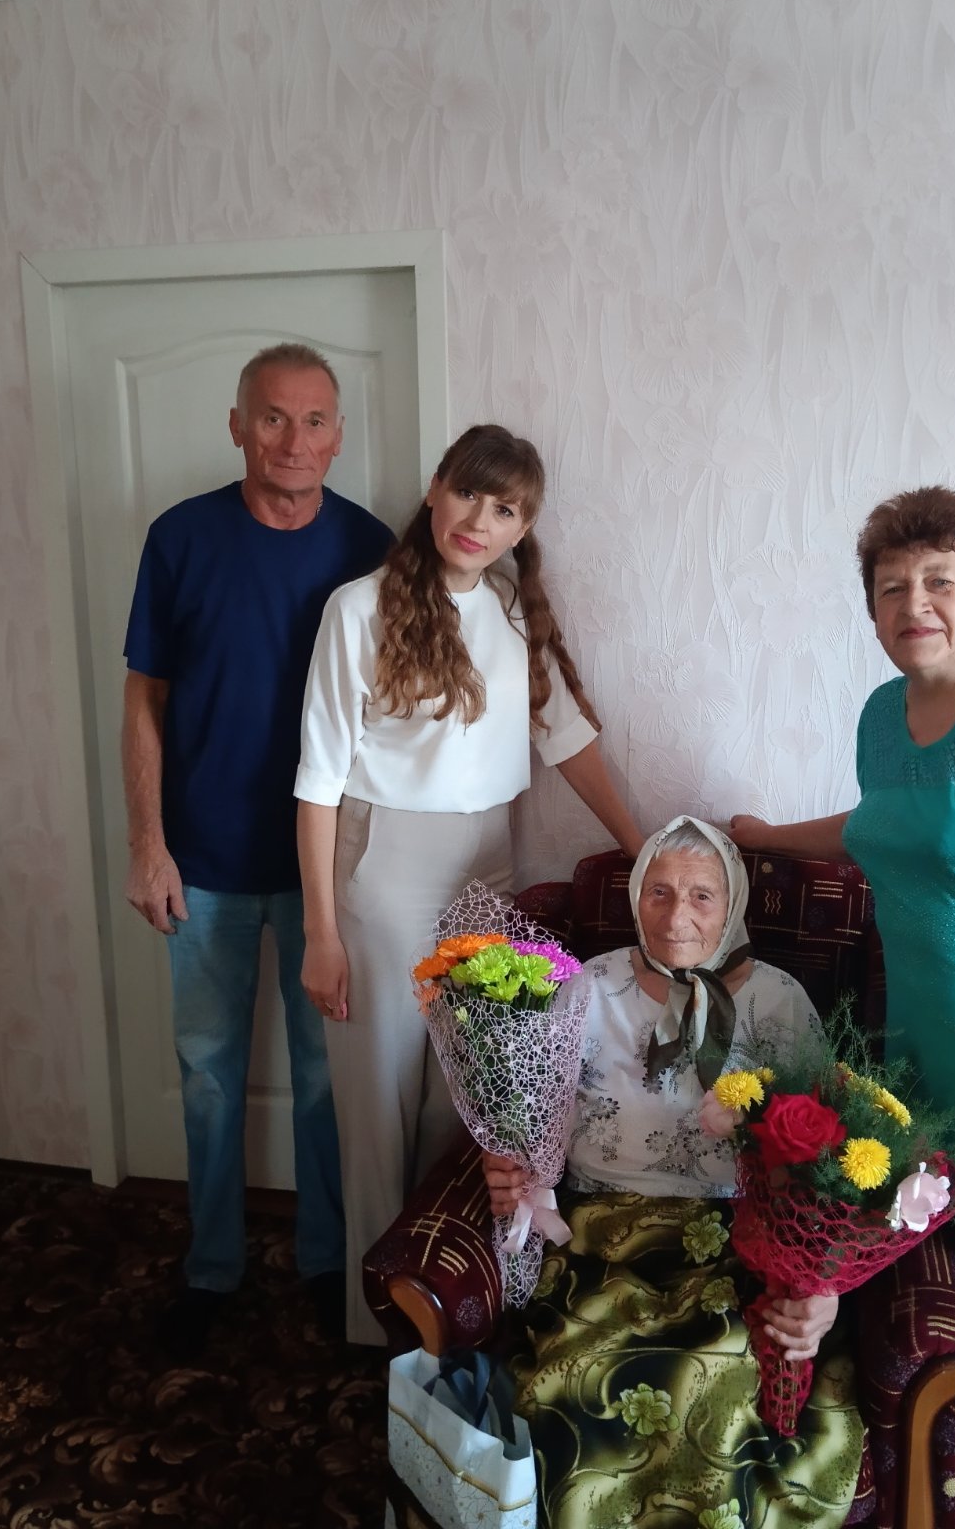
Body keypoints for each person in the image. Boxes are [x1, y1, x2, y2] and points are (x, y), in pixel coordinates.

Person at [731, 485, 955, 1529]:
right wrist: (764, 837)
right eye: (891, 588)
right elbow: (883, 825)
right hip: (929, 1094)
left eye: (940, 580)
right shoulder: (879, 716)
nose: (914, 604)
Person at [294, 424, 644, 1344]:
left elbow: (566, 739)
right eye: (468, 494)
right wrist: (321, 934)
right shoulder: (357, 609)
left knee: (458, 1101)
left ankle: (438, 1308)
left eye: (505, 509)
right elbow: (317, 783)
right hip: (382, 865)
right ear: (434, 489)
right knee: (376, 1102)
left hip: (486, 866)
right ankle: (376, 1335)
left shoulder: (512, 612)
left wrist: (642, 849)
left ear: (521, 528)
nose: (479, 521)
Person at [122, 342, 394, 1356]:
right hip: (202, 863)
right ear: (238, 425)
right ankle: (211, 1269)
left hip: (331, 872)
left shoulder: (370, 546)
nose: (293, 440)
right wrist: (147, 845)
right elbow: (143, 700)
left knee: (325, 1079)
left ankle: (327, 1263)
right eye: (272, 417)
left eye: (314, 419)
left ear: (338, 433)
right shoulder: (180, 538)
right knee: (206, 1075)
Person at [482, 817, 862, 1529]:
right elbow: (528, 1113)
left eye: (700, 895)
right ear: (634, 898)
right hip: (599, 1236)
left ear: (732, 903)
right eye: (657, 892)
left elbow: (833, 1165)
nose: (675, 914)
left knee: (718, 1363)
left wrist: (823, 1286)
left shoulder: (778, 999)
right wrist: (504, 1159)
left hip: (739, 1240)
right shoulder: (589, 987)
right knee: (578, 1378)